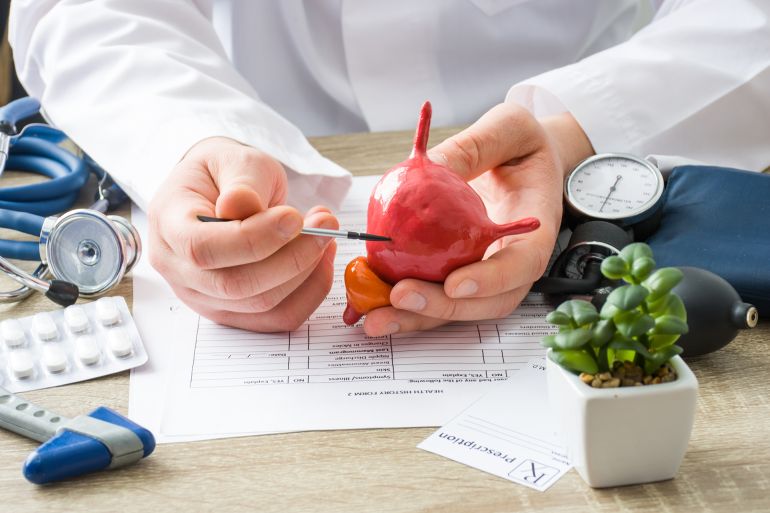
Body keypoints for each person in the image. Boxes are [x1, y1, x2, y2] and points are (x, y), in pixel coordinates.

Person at [9, 1, 770, 336]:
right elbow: (85, 8)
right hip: (259, 133)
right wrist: (185, 139)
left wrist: (573, 129)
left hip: (585, 164)